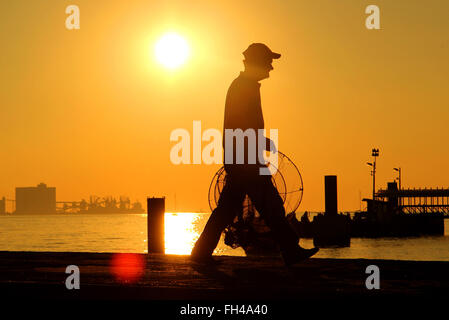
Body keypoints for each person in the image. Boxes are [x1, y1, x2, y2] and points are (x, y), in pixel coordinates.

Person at [191, 43, 319, 266]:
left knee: (228, 209)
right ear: (257, 63)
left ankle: (200, 254)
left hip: (241, 157)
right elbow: (241, 125)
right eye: (268, 61)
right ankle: (290, 250)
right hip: (246, 160)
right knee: (271, 206)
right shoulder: (244, 87)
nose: (271, 67)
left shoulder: (244, 86)